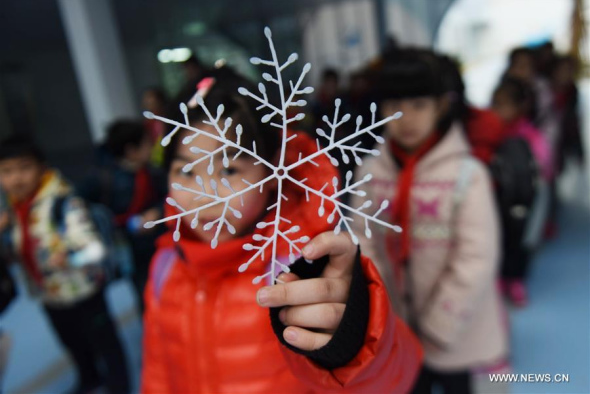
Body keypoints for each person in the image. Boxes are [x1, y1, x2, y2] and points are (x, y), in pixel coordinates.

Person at [141, 76, 423, 393]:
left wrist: (351, 340)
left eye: (229, 170)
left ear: (273, 167)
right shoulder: (166, 265)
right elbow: (157, 372)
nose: (205, 195)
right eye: (186, 171)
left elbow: (395, 375)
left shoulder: (302, 264)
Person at [351, 48, 507, 394]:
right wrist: (381, 311)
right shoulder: (369, 172)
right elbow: (363, 241)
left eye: (419, 105)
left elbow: (477, 257)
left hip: (454, 332)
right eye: (394, 107)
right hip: (397, 328)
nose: (406, 119)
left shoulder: (467, 174)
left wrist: (439, 324)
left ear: (440, 106)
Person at [0, 136, 129, 394]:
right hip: (48, 293)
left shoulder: (63, 202)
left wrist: (69, 258)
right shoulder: (14, 209)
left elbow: (94, 250)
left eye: (24, 168)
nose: (16, 178)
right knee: (72, 342)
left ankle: (119, 387)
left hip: (84, 290)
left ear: (42, 167)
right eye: (6, 171)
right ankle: (89, 378)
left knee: (105, 343)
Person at [78, 120, 167, 313]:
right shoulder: (101, 177)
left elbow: (169, 196)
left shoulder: (151, 171)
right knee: (144, 290)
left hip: (156, 241)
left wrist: (157, 213)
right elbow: (79, 204)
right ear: (131, 150)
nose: (152, 147)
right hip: (126, 247)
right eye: (147, 143)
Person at [491, 77, 553, 306]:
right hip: (499, 198)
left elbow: (544, 167)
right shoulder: (493, 134)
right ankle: (499, 278)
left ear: (520, 106)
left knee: (521, 242)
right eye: (495, 103)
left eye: (504, 104)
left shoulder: (530, 135)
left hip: (526, 200)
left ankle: (516, 281)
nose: (499, 110)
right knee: (499, 238)